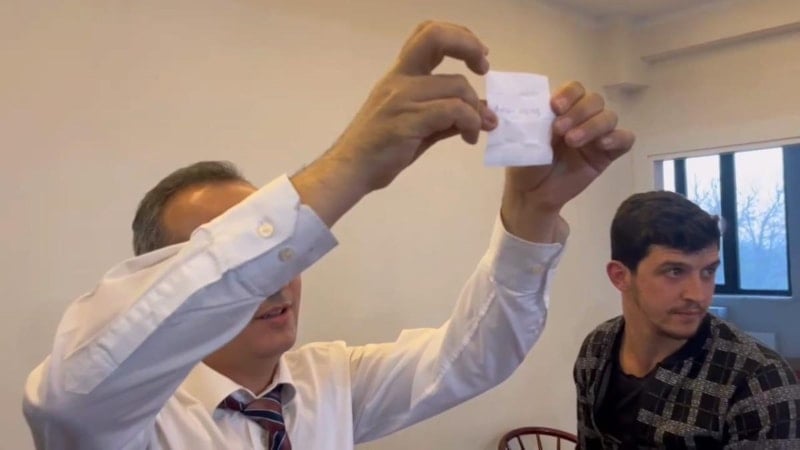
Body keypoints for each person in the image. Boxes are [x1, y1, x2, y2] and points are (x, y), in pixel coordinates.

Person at [24, 21, 634, 450]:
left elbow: (476, 355)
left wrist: (531, 210)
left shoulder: (328, 382)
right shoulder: (130, 420)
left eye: (277, 256)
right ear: (172, 283)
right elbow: (71, 395)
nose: (274, 281)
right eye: (245, 262)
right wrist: (348, 167)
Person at [574, 191, 800, 449]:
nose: (698, 295)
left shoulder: (759, 380)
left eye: (708, 271)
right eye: (675, 271)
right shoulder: (597, 348)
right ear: (620, 276)